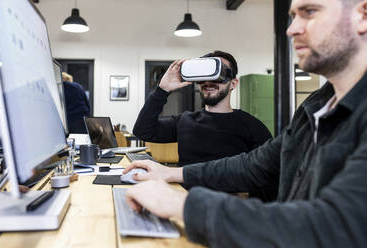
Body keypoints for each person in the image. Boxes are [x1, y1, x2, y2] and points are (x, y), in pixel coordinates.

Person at [124, 0, 367, 247]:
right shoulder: (315, 107)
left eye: (310, 12)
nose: (291, 29)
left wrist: (181, 204)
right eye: (293, 16)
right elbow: (253, 166)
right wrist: (170, 173)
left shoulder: (253, 124)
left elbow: (333, 227)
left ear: (363, 15)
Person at [133, 51, 272, 167]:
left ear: (233, 83)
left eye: (218, 75)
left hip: (227, 199)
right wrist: (162, 90)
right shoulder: (185, 121)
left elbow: (268, 173)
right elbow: (143, 131)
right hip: (182, 197)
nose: (208, 82)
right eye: (203, 75)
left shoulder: (252, 127)